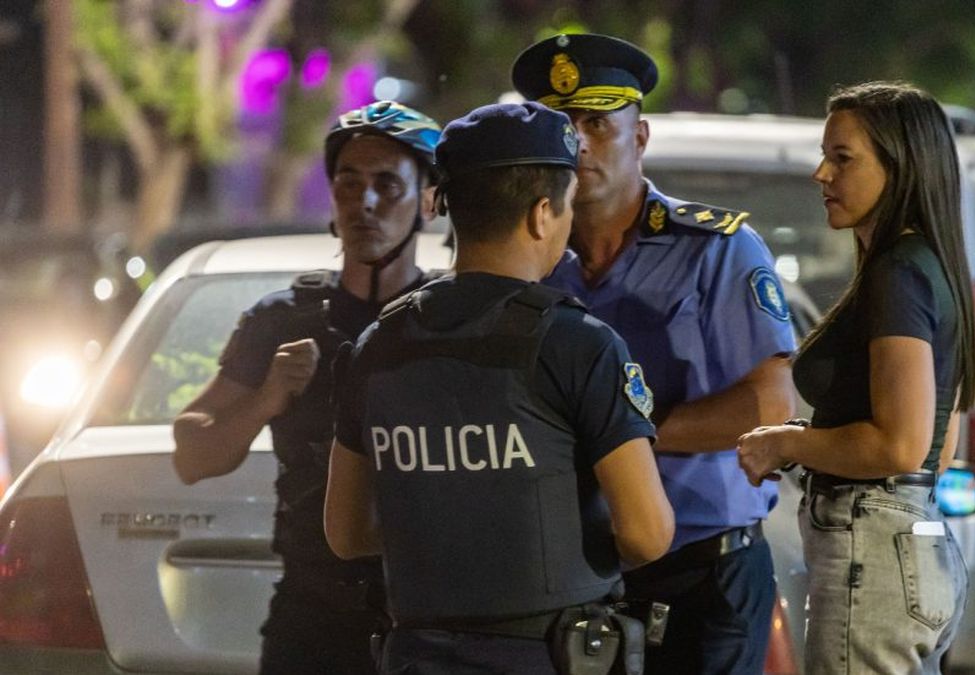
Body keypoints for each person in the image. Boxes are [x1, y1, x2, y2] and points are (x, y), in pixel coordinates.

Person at [324, 101, 675, 675]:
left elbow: (346, 533)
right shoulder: (578, 344)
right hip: (545, 653)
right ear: (542, 214)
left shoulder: (377, 345)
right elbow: (648, 533)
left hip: (415, 654)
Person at [509, 33, 798, 674]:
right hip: (570, 571)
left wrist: (618, 443)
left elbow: (769, 402)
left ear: (639, 138)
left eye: (597, 123)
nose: (578, 143)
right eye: (560, 126)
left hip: (701, 573)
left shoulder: (716, 249)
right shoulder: (523, 260)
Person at [172, 100, 442, 675]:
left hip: (430, 621)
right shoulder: (282, 321)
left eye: (388, 186)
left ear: (429, 201)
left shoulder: (450, 319)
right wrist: (267, 397)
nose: (365, 203)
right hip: (313, 617)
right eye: (349, 184)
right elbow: (191, 453)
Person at [736, 81, 975, 674]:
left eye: (843, 159)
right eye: (826, 155)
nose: (822, 173)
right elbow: (937, 443)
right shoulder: (924, 265)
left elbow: (901, 444)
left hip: (872, 552)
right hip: (913, 548)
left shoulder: (899, 273)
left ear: (902, 167)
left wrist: (785, 442)